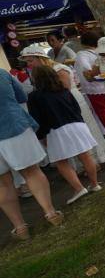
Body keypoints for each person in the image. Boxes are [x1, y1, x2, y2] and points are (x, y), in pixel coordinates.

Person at [20, 44, 105, 165]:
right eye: (27, 61)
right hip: (58, 104)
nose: (29, 64)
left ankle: (93, 161)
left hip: (69, 101)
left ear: (40, 58)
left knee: (83, 130)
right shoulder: (39, 73)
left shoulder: (59, 68)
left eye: (30, 60)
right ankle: (83, 164)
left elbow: (64, 89)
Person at [0, 68, 63, 240]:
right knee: (31, 172)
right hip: (13, 126)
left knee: (2, 184)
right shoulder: (2, 73)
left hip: (11, 126)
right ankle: (50, 213)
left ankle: (20, 227)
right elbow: (21, 96)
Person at [27, 66, 102, 205]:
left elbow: (37, 119)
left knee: (61, 162)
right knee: (85, 156)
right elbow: (76, 109)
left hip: (56, 130)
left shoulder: (34, 96)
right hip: (77, 125)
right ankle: (94, 184)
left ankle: (79, 188)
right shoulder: (64, 90)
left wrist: (41, 136)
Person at [74, 31, 105, 141]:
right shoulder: (102, 52)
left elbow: (87, 70)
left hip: (94, 87)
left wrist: (93, 74)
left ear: (83, 42)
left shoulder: (82, 54)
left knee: (102, 112)